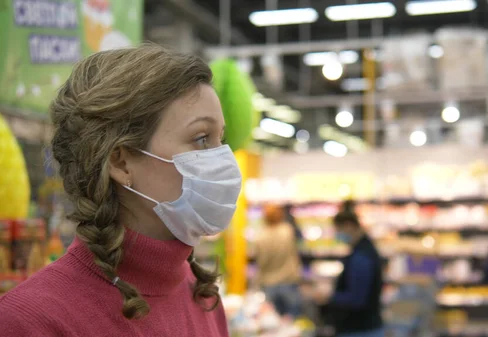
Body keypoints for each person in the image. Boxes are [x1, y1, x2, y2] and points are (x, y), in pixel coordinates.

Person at [0, 45, 241, 336]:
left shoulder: (202, 296)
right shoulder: (30, 321)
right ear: (121, 161)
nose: (223, 159)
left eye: (220, 139)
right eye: (201, 139)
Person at [314, 210, 384, 337]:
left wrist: (329, 296)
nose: (337, 234)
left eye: (338, 229)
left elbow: (357, 298)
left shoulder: (361, 256)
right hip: (363, 326)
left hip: (360, 328)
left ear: (348, 225)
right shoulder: (363, 250)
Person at [255, 204, 303, 318]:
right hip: (289, 280)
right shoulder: (287, 231)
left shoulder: (261, 236)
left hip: (269, 282)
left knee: (272, 320)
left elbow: (261, 262)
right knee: (293, 320)